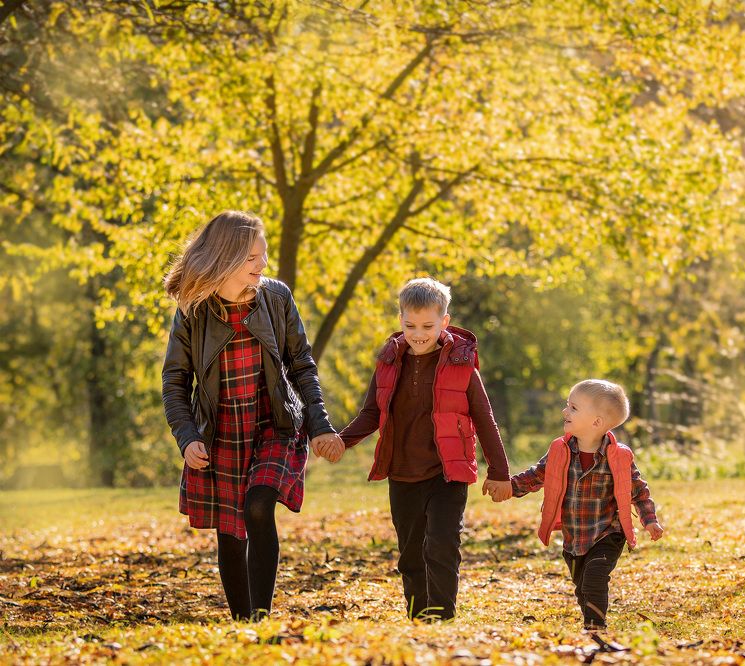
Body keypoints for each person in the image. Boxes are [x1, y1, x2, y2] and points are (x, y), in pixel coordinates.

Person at [161, 210, 343, 620]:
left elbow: (302, 365)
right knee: (230, 532)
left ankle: (261, 618)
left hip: (274, 423)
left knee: (258, 507)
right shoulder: (193, 310)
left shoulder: (276, 298)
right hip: (221, 432)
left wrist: (319, 425)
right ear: (224, 259)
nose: (263, 264)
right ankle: (243, 623)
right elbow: (175, 381)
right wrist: (187, 436)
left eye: (264, 255)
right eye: (252, 258)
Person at [319, 277, 511, 621]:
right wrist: (342, 440)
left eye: (427, 326)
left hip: (447, 472)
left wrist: (499, 472)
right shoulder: (389, 363)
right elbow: (371, 413)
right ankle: (419, 616)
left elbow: (485, 421)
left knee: (441, 544)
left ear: (444, 322)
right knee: (410, 552)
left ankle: (441, 615)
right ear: (400, 320)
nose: (418, 334)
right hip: (402, 471)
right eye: (410, 326)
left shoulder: (462, 367)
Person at [496, 379, 663, 631]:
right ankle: (591, 618)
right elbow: (537, 475)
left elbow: (638, 491)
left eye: (573, 408)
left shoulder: (618, 457)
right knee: (582, 586)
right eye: (568, 405)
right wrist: (510, 487)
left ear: (596, 422)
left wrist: (649, 520)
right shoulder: (560, 450)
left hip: (608, 532)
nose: (565, 411)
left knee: (595, 576)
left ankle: (595, 628)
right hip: (574, 536)